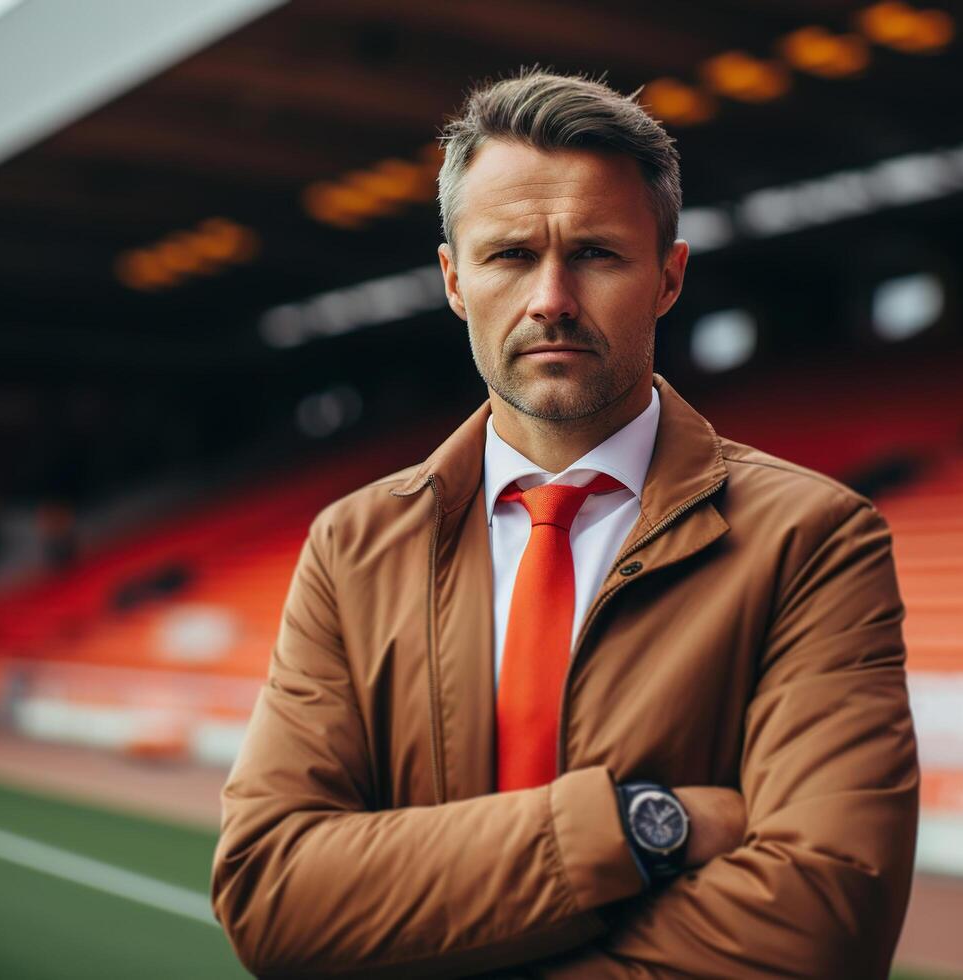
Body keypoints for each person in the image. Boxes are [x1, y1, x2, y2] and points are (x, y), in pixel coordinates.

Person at [212, 69, 919, 979]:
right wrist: (638, 828)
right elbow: (272, 897)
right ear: (454, 280)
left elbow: (824, 922)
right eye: (509, 255)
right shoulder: (353, 549)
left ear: (669, 276)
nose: (551, 296)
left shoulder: (814, 540)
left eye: (595, 253)